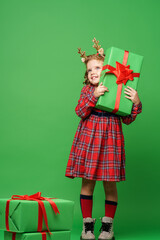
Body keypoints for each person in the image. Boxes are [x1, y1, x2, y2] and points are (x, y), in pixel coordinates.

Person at [65, 38, 142, 240]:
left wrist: (135, 102)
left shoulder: (117, 91)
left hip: (110, 141)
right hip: (89, 140)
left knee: (110, 184)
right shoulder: (87, 91)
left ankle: (107, 227)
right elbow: (80, 111)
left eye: (98, 67)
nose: (93, 72)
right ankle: (87, 226)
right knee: (87, 183)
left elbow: (127, 119)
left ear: (107, 69)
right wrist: (95, 96)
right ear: (86, 75)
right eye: (89, 70)